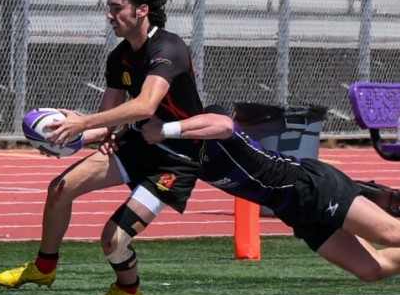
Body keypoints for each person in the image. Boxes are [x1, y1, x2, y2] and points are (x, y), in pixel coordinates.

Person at [0, 0, 204, 295]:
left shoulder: (169, 47)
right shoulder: (119, 56)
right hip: (135, 144)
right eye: (109, 7)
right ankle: (44, 267)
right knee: (60, 188)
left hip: (174, 159)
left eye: (117, 8)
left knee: (113, 239)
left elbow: (145, 104)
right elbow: (106, 123)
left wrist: (84, 123)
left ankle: (128, 290)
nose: (110, 15)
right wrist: (65, 135)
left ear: (141, 10)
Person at [142, 105, 400, 283]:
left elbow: (222, 123)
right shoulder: (176, 156)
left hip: (307, 185)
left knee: (390, 233)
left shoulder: (209, 118)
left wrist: (166, 129)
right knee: (371, 269)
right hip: (292, 211)